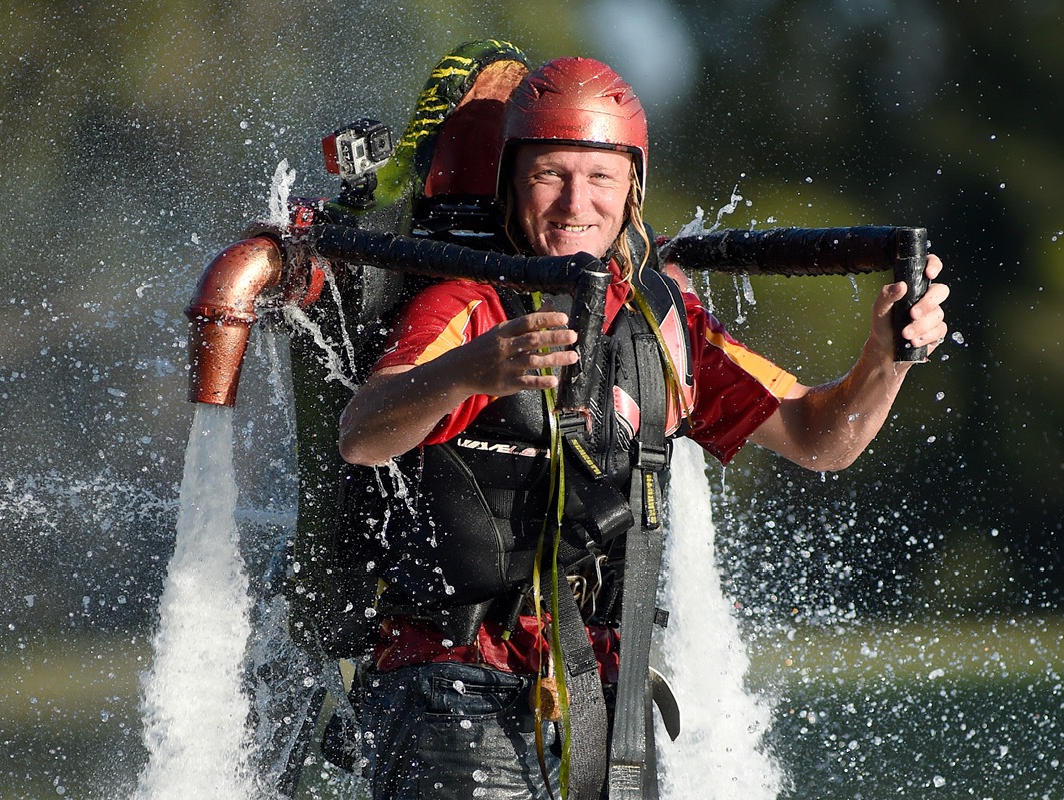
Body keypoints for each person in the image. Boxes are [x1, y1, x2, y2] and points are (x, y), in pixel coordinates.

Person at [337, 56, 948, 800]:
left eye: (599, 177)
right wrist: (470, 370)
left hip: (602, 700)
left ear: (634, 189)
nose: (574, 203)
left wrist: (888, 357)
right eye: (549, 174)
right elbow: (362, 433)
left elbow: (824, 438)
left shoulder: (666, 323)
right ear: (509, 183)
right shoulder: (467, 306)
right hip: (452, 688)